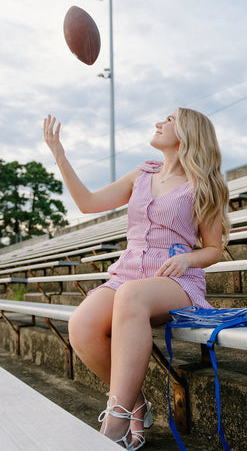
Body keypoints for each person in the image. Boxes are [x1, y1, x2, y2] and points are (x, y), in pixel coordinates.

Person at [43, 107, 230, 450]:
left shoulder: (204, 184)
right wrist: (60, 156)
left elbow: (214, 249)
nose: (159, 122)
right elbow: (87, 203)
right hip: (127, 274)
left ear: (189, 133)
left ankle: (114, 425)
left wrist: (188, 258)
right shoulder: (141, 174)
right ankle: (136, 403)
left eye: (170, 120)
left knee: (132, 296)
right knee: (82, 324)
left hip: (175, 280)